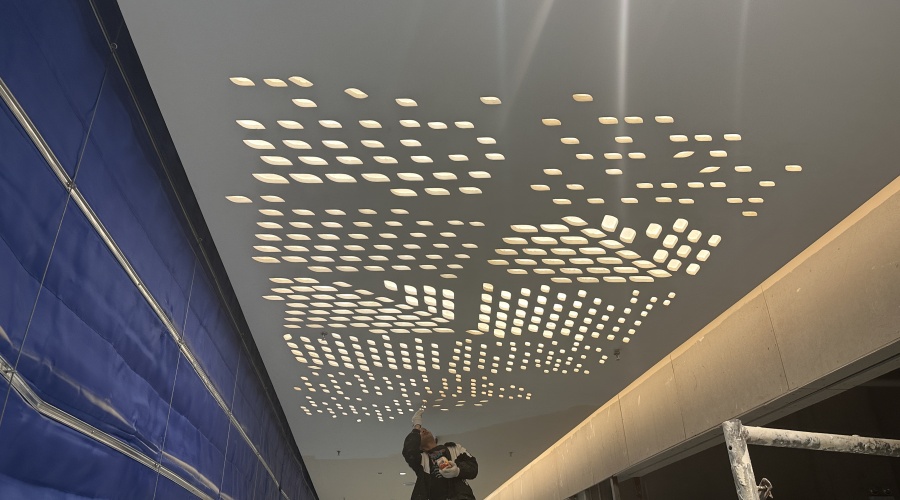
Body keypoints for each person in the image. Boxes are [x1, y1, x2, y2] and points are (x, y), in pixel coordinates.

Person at [402, 407, 478, 500]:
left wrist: (458, 470)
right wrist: (416, 426)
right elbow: (409, 450)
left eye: (425, 429)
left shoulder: (455, 449)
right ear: (419, 447)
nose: (423, 430)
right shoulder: (421, 460)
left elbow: (473, 467)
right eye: (420, 432)